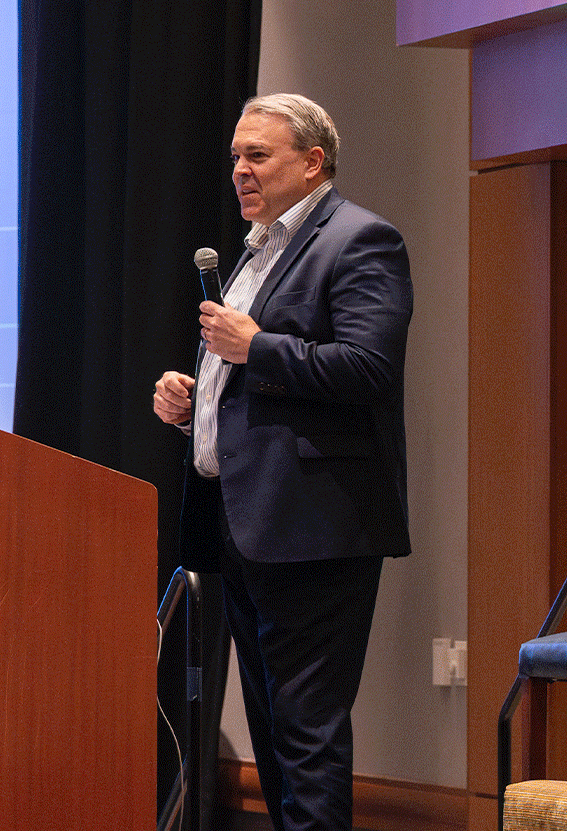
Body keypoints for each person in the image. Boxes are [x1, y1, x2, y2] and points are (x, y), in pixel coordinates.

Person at [151, 93, 411, 831]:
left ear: (312, 162)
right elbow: (261, 388)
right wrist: (193, 396)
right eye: (235, 156)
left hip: (315, 529)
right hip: (248, 522)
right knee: (273, 738)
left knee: (306, 735)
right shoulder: (259, 250)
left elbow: (368, 368)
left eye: (257, 155)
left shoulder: (361, 240)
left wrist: (251, 346)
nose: (239, 170)